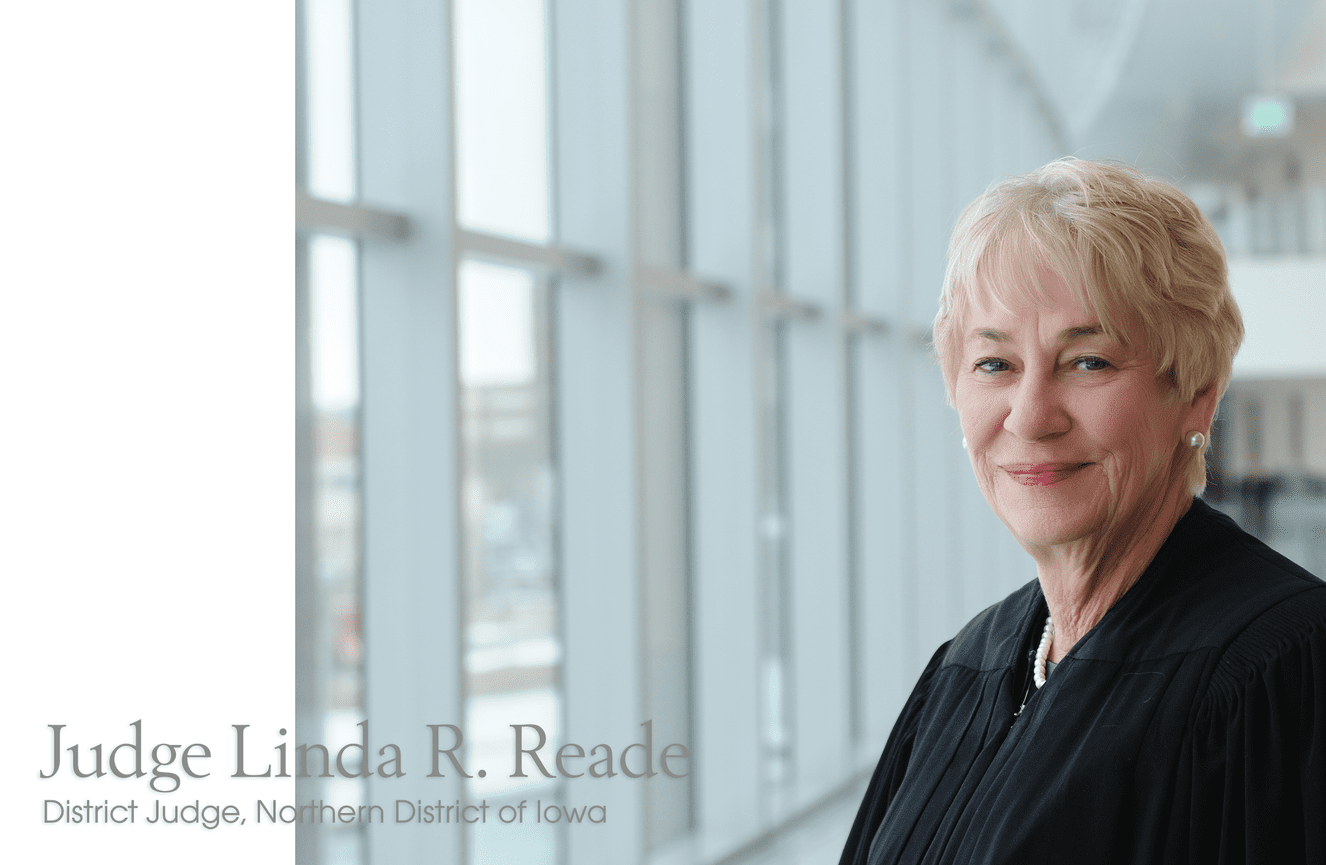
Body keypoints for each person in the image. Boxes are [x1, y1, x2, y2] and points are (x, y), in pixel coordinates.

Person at [839, 159, 1325, 864]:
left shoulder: (1282, 673)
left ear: (1195, 394)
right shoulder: (965, 668)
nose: (1031, 416)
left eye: (1088, 362)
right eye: (995, 365)